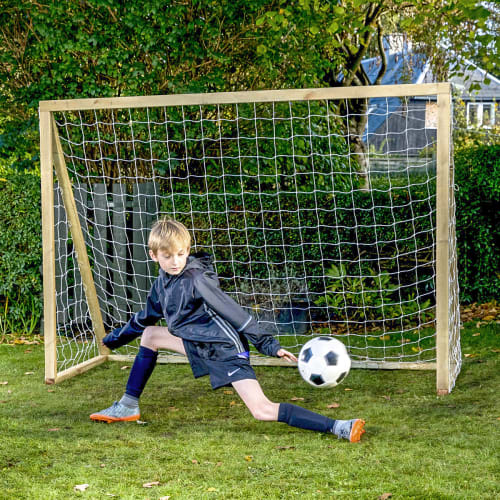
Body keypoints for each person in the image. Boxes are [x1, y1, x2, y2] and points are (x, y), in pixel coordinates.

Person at [90, 218, 365, 442]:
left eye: (181, 254)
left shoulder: (197, 280)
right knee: (151, 335)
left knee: (261, 410)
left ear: (188, 250)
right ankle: (127, 406)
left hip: (223, 348)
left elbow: (234, 313)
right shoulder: (162, 282)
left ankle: (338, 426)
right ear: (154, 255)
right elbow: (146, 317)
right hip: (197, 342)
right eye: (168, 256)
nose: (176, 261)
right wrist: (113, 340)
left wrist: (268, 344)